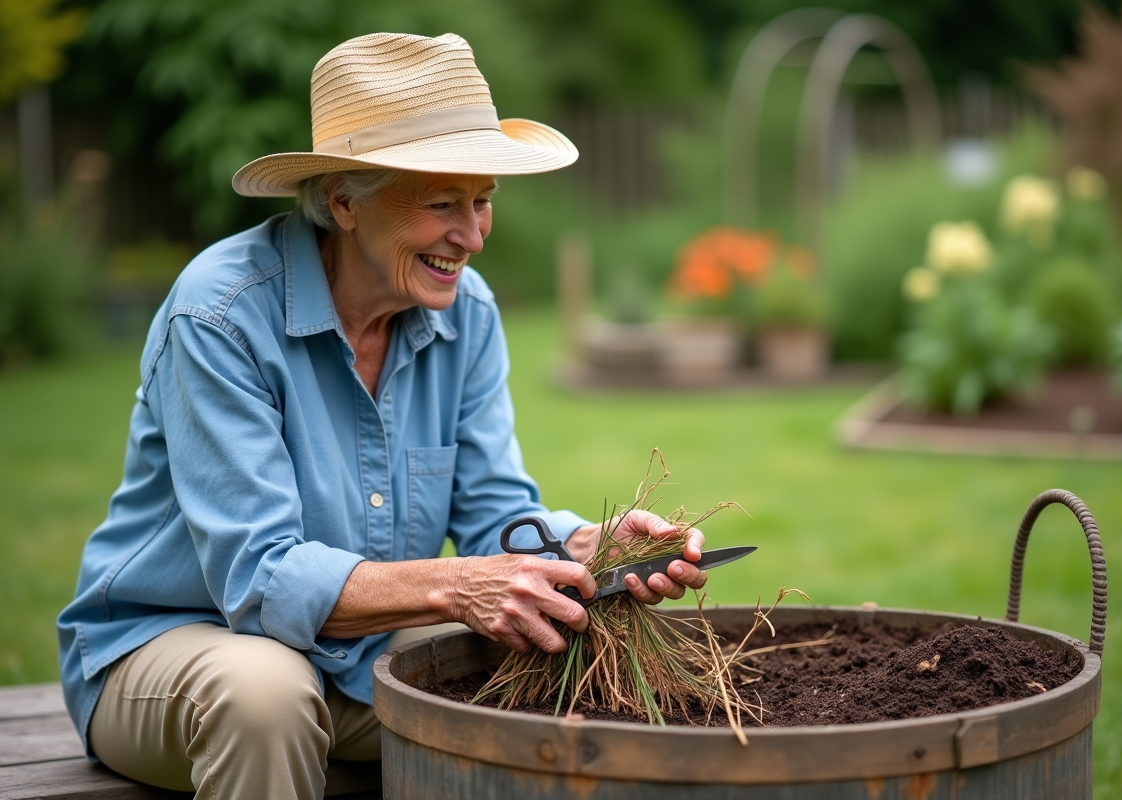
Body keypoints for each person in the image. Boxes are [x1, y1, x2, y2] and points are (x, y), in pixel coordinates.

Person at [57, 32, 708, 800]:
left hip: (359, 658)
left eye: (483, 202)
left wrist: (585, 546)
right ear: (343, 202)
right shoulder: (221, 314)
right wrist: (461, 587)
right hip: (175, 648)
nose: (471, 236)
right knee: (268, 695)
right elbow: (259, 579)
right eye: (442, 204)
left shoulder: (466, 312)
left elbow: (492, 506)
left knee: (556, 640)